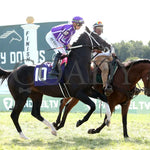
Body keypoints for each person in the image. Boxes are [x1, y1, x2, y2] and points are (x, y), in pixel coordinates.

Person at [92, 21, 115, 96]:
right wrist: (95, 50)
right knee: (105, 68)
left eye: (101, 28)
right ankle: (105, 87)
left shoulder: (105, 37)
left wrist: (113, 52)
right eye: (98, 28)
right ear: (94, 29)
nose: (100, 30)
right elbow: (90, 48)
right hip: (99, 57)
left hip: (109, 56)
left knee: (121, 66)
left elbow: (111, 46)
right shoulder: (91, 38)